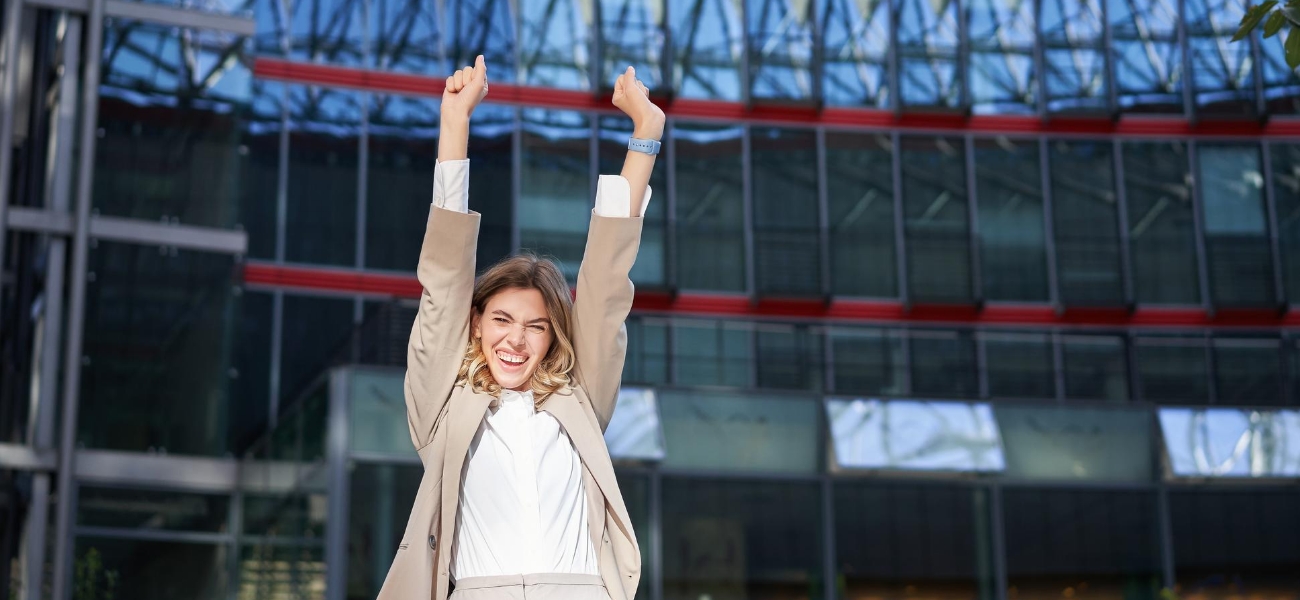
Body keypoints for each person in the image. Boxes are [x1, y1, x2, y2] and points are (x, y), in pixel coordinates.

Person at [376, 55, 665, 600]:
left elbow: (604, 286)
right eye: (502, 319)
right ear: (476, 323)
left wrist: (645, 136)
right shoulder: (444, 405)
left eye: (536, 326)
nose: (516, 339)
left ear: (554, 337)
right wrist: (455, 123)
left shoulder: (579, 398)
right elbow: (444, 280)